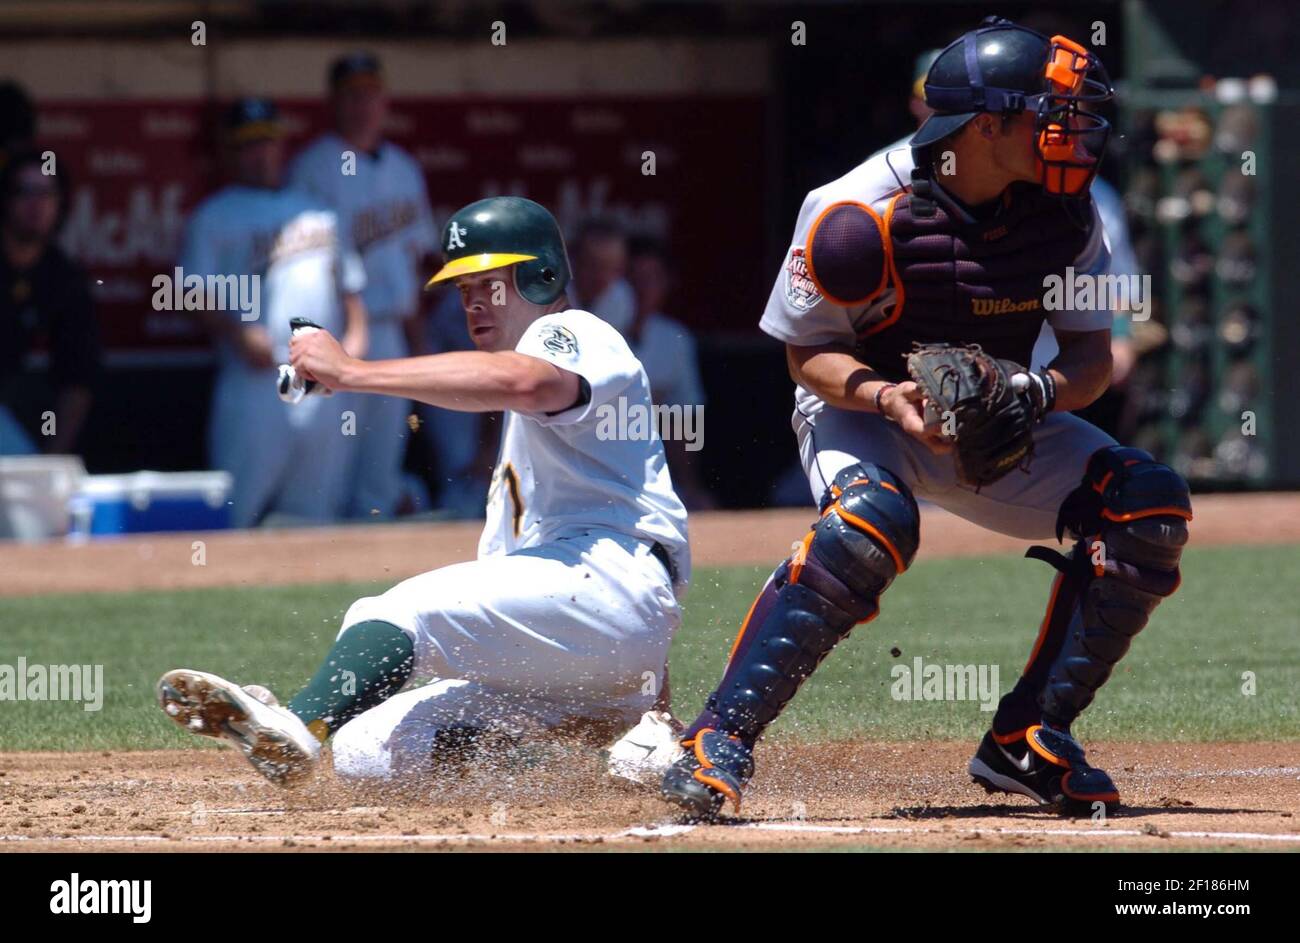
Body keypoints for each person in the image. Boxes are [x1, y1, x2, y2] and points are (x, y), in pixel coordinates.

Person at [660, 17, 1191, 819]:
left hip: (1006, 410)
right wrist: (887, 397)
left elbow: (1091, 357)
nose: (1071, 130)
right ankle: (717, 736)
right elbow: (807, 358)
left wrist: (1032, 393)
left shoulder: (1070, 211)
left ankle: (1029, 737)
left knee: (1147, 507)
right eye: (1049, 114)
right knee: (871, 523)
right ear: (988, 126)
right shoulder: (854, 213)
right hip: (868, 408)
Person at [156, 197, 689, 786]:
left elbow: (525, 381)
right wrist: (653, 707)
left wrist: (351, 372)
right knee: (368, 750)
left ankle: (298, 726)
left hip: (615, 592)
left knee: (393, 610)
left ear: (541, 275)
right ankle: (590, 769)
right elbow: (563, 595)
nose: (471, 302)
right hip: (587, 643)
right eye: (461, 288)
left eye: (487, 283)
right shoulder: (521, 438)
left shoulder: (578, 331)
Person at [182, 98, 367, 528]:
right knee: (237, 506)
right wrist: (235, 332)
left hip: (322, 379)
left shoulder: (318, 211)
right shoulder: (213, 215)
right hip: (255, 380)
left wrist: (353, 354)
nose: (260, 153)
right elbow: (191, 293)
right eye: (248, 144)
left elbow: (353, 292)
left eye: (267, 141)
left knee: (317, 510)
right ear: (229, 151)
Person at [288, 53, 439, 520]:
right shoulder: (312, 167)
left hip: (391, 329)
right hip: (336, 332)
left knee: (380, 469)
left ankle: (367, 568)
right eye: (351, 94)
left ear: (384, 99)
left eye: (370, 93)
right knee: (328, 467)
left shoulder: (404, 168)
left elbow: (417, 263)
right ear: (332, 101)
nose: (362, 104)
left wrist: (420, 349)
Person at [0, 147, 98, 456]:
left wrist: (54, 456)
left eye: (47, 194)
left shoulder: (62, 277)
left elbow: (78, 375)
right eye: (25, 192)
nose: (36, 204)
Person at [626, 238, 713, 509]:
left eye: (652, 279)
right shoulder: (594, 328)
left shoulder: (675, 338)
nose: (642, 289)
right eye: (634, 279)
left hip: (652, 479)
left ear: (666, 284)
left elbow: (685, 419)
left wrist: (689, 487)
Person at [569, 218, 636, 334]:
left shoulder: (621, 298)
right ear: (574, 261)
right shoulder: (547, 291)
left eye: (612, 269)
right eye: (594, 266)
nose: (601, 277)